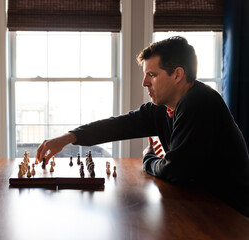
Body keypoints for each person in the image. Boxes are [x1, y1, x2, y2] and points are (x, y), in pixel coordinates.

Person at [36, 36, 249, 217]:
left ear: (177, 75)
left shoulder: (199, 102)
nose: (144, 83)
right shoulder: (162, 108)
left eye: (152, 75)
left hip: (228, 215)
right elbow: (117, 125)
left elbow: (176, 171)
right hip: (198, 205)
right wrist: (68, 137)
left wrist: (148, 158)